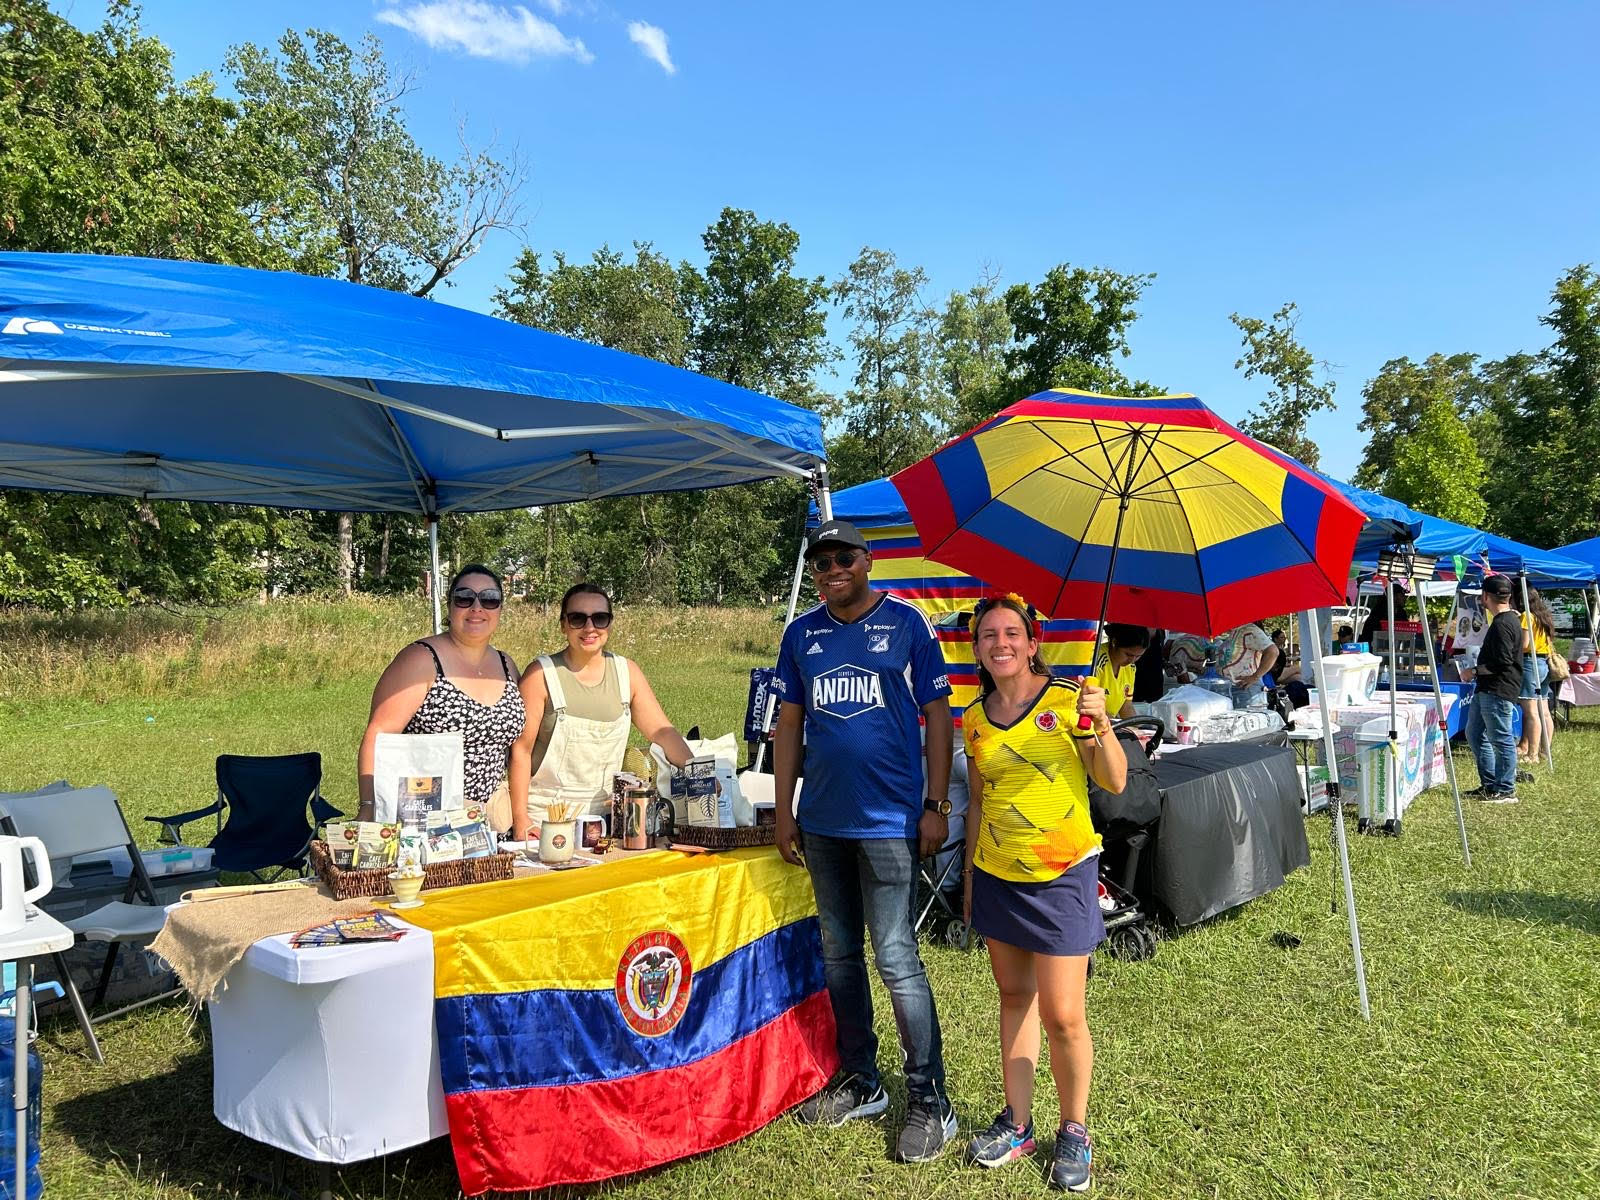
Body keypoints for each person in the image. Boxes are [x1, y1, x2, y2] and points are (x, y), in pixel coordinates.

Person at [772, 519, 957, 1163]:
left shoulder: (907, 625)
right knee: (839, 954)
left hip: (889, 822)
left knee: (897, 958)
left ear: (867, 560)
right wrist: (783, 809)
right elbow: (789, 723)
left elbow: (939, 715)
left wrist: (936, 804)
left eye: (843, 558)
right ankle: (862, 1080)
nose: (832, 571)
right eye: (821, 564)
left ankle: (930, 1099)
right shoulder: (801, 635)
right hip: (822, 821)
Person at [960, 593, 1127, 1192]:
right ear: (977, 649)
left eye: (1011, 634)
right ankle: (1019, 1124)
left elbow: (1113, 778)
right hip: (998, 875)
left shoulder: (1068, 703)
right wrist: (972, 880)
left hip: (1062, 877)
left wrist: (1100, 724)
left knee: (1063, 1016)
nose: (1000, 644)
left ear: (1033, 643)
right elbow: (978, 800)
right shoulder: (973, 718)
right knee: (1013, 998)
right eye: (988, 636)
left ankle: (1074, 1130)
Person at [510, 583, 698, 839]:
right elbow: (520, 751)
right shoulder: (540, 675)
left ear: (609, 624)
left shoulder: (627, 673)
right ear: (563, 625)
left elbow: (663, 733)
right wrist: (521, 820)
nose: (589, 628)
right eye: (578, 618)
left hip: (608, 823)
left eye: (599, 618)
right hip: (546, 820)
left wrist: (699, 774)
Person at [358, 564, 526, 831]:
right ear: (449, 606)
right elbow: (379, 735)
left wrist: (521, 818)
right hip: (429, 822)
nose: (477, 607)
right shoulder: (421, 659)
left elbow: (520, 749)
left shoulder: (506, 664)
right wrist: (369, 806)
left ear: (500, 610)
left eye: (489, 599)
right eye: (464, 598)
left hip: (492, 823)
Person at [1462, 574, 1523, 802]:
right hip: (1487, 688)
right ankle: (1490, 784)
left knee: (1501, 738)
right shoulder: (1507, 620)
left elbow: (1503, 661)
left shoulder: (1504, 623)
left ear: (1485, 596)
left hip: (1498, 688)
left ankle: (1506, 789)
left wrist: (1474, 671)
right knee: (1475, 734)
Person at [1516, 587, 1557, 775]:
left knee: (1531, 712)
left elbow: (1524, 645)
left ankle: (1531, 754)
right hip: (1544, 663)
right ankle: (1544, 751)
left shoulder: (1526, 616)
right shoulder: (1544, 615)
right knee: (1544, 711)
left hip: (1529, 663)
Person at [1215, 622, 1279, 709]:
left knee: (1248, 720)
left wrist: (1255, 677)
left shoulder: (1249, 630)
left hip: (1246, 689)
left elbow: (1273, 651)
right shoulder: (1234, 632)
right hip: (1231, 689)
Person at [1093, 624, 1149, 720]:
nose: (1132, 660)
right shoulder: (1096, 662)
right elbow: (1092, 707)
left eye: (1138, 656)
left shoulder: (1131, 668)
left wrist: (1136, 728)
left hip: (1109, 725)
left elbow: (1126, 706)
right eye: (1128, 654)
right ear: (1114, 642)